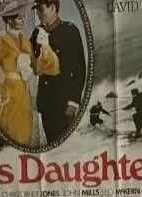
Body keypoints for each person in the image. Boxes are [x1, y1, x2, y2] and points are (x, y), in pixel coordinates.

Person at [0, 0, 41, 147]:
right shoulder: (0, 40)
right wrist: (2, 92)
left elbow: (36, 68)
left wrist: (44, 48)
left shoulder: (26, 41)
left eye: (24, 15)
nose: (23, 19)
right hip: (9, 96)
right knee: (10, 138)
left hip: (25, 95)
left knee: (25, 136)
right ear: (9, 18)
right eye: (19, 16)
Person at [32, 0, 86, 147]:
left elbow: (79, 69)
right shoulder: (37, 32)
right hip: (46, 103)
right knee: (52, 146)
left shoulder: (70, 31)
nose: (37, 13)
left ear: (52, 8)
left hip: (64, 102)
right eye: (36, 10)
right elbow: (33, 64)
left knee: (67, 148)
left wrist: (74, 101)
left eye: (41, 9)